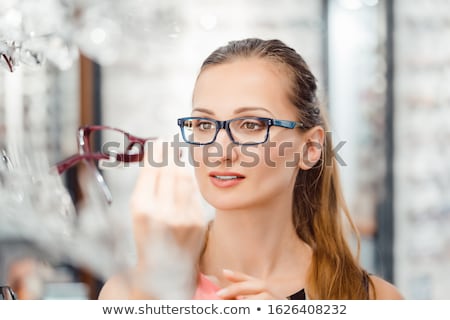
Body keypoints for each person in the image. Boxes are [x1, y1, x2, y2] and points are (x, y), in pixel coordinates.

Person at [99, 38, 403, 300]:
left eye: (251, 125)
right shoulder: (130, 295)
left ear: (310, 149)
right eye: (204, 124)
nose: (220, 151)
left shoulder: (377, 301)